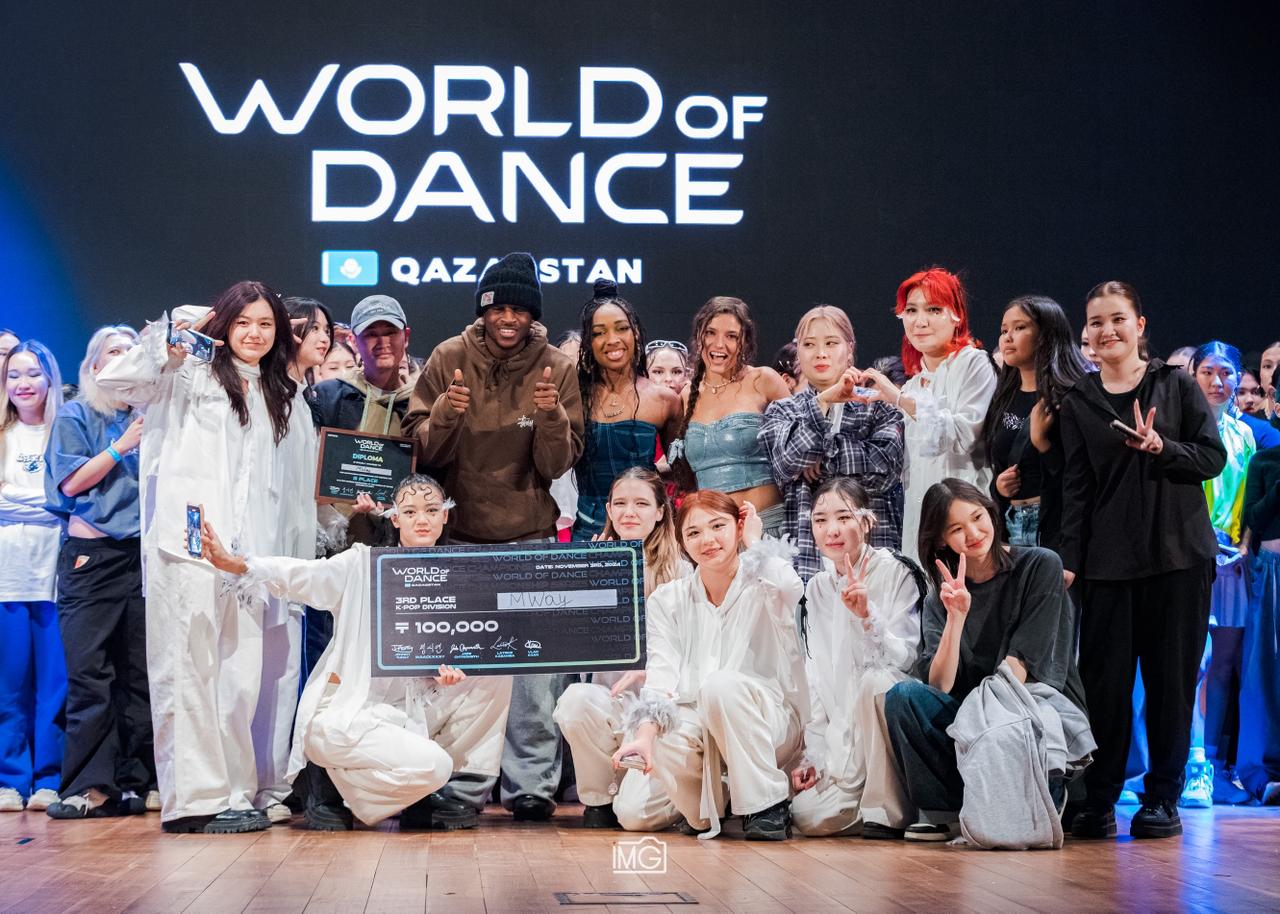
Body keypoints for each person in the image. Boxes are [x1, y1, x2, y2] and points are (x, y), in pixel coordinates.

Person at [97, 281, 317, 834]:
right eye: (243, 322)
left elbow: (291, 490)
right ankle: (193, 800)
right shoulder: (186, 373)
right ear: (224, 323)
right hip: (187, 548)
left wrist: (287, 567)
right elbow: (115, 381)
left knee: (242, 681)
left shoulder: (280, 395)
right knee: (189, 672)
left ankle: (236, 792)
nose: (254, 334)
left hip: (247, 559)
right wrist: (170, 343)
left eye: (265, 324)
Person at [201, 473, 512, 830]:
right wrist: (241, 564)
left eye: (431, 510)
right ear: (395, 519)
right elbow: (304, 574)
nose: (422, 520)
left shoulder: (454, 578)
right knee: (434, 766)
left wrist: (443, 678)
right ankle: (328, 782)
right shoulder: (362, 564)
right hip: (345, 717)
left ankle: (401, 796)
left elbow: (434, 666)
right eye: (410, 512)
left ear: (444, 516)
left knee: (494, 673)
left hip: (403, 715)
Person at [403, 252, 584, 822]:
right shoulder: (448, 357)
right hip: (461, 538)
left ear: (533, 315)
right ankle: (460, 786)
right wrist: (446, 415)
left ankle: (531, 786)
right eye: (498, 308)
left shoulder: (557, 367)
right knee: (462, 677)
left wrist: (551, 417)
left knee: (532, 677)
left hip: (529, 536)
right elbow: (423, 452)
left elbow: (556, 464)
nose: (508, 319)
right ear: (483, 311)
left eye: (519, 310)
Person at [1059, 281, 1226, 841]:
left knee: (1170, 684)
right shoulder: (1079, 401)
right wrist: (1070, 560)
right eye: (1096, 321)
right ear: (1086, 332)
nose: (1106, 330)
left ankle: (1161, 799)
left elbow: (1212, 458)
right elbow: (1076, 489)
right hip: (1107, 566)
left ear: (1139, 325)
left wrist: (1163, 448)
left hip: (1179, 558)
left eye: (1117, 319)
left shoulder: (1174, 385)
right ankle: (1099, 799)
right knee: (1103, 686)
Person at [883, 479, 1090, 842]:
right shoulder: (940, 598)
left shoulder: (1040, 565)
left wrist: (977, 724)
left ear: (991, 512)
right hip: (970, 720)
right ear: (941, 540)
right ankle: (944, 811)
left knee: (1006, 724)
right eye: (956, 529)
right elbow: (940, 684)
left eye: (977, 517)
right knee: (903, 698)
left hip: (1026, 708)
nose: (974, 533)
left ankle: (1032, 803)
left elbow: (1022, 666)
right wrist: (956, 617)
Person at [612, 493, 807, 841]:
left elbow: (791, 586)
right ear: (682, 542)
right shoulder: (667, 600)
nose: (707, 540)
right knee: (633, 814)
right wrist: (644, 736)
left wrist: (756, 542)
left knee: (720, 686)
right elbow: (662, 673)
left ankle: (766, 805)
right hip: (697, 724)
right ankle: (710, 808)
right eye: (694, 532)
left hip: (764, 720)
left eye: (718, 526)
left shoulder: (764, 583)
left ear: (739, 528)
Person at [43, 326, 158, 819]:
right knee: (90, 673)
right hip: (92, 559)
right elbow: (69, 483)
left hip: (143, 557)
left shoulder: (152, 414)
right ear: (94, 366)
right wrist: (121, 447)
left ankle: (134, 781)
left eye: (132, 351)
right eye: (114, 351)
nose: (124, 357)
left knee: (138, 675)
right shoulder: (77, 414)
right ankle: (88, 785)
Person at [553, 468, 687, 829]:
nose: (629, 512)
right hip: (612, 700)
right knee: (574, 700)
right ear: (609, 510)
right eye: (621, 503)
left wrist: (649, 672)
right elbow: (568, 641)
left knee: (636, 815)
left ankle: (656, 793)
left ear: (660, 512)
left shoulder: (683, 571)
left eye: (641, 503)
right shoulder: (588, 565)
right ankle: (599, 799)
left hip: (663, 709)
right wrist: (590, 579)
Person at [790, 478, 924, 838]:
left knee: (875, 681)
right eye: (820, 520)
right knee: (805, 816)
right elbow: (816, 676)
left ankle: (887, 808)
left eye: (843, 517)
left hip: (888, 720)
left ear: (866, 522)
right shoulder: (817, 588)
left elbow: (905, 659)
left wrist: (867, 616)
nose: (831, 530)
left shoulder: (896, 570)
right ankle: (859, 797)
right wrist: (815, 755)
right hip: (844, 737)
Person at [853, 267, 997, 562]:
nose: (920, 321)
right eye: (911, 310)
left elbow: (964, 435)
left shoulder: (974, 363)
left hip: (966, 522)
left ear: (956, 315)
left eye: (933, 309)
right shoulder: (914, 384)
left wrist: (899, 399)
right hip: (920, 525)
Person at [306, 295, 418, 672]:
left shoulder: (422, 401)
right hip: (337, 551)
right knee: (328, 659)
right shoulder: (329, 396)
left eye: (389, 332)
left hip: (399, 550)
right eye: (371, 334)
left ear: (406, 337)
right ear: (354, 341)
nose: (381, 342)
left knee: (391, 655)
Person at [759, 305, 905, 580]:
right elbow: (786, 463)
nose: (820, 353)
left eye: (831, 343)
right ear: (798, 353)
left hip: (874, 552)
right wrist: (823, 401)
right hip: (809, 558)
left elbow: (884, 470)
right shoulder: (782, 410)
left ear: (849, 349)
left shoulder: (878, 405)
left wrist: (820, 454)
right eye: (809, 344)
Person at [1183, 342, 1256, 806]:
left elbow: (1253, 495)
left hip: (1231, 561)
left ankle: (1214, 762)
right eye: (1207, 371)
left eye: (1226, 372)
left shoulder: (1245, 435)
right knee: (1196, 663)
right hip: (1190, 557)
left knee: (1224, 665)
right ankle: (1191, 762)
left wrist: (1244, 544)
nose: (1217, 381)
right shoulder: (1181, 428)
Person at [0, 341, 65, 814]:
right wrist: (44, 501)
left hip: (56, 575)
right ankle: (10, 780)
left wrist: (13, 499)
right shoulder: (3, 435)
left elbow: (65, 499)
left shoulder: (64, 431)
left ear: (49, 379)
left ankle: (49, 778)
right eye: (13, 375)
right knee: (10, 687)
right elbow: (49, 500)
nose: (23, 384)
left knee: (55, 686)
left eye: (33, 374)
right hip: (8, 576)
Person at [571, 280, 681, 540]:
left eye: (622, 328)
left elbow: (680, 471)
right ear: (588, 342)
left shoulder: (664, 400)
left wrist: (648, 479)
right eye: (599, 332)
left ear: (636, 334)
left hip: (648, 535)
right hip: (588, 534)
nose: (612, 340)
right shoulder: (574, 397)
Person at [672, 297, 792, 535]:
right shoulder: (686, 395)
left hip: (768, 528)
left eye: (731, 336)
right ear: (699, 336)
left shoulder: (763, 380)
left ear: (744, 341)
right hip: (715, 537)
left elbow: (802, 437)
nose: (719, 344)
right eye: (711, 333)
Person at [981, 296, 1091, 550]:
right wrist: (999, 488)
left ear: (1045, 335)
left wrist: (1042, 443)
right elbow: (997, 463)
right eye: (1004, 330)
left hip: (1055, 528)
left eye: (1019, 328)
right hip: (1011, 527)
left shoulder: (1069, 397)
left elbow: (1080, 479)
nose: (1007, 337)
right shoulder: (1002, 397)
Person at [1238, 422, 1280, 802]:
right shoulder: (1264, 461)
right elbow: (1253, 517)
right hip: (1271, 570)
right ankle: (1262, 774)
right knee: (1263, 669)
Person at [284, 297, 333, 392]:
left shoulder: (309, 393)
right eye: (314, 328)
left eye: (327, 331)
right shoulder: (264, 387)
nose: (325, 339)